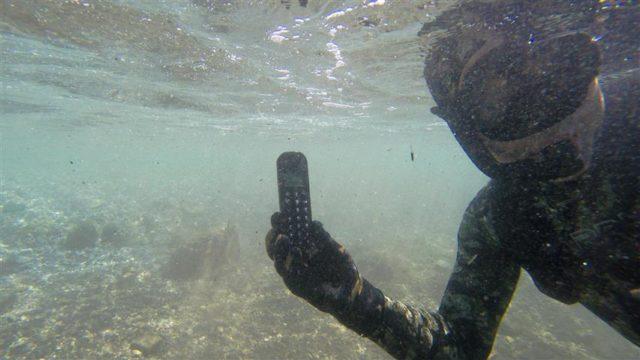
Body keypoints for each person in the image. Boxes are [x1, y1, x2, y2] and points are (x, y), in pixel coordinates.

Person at [266, 1, 639, 358]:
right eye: (500, 101)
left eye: (561, 68)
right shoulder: (499, 219)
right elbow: (461, 349)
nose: (553, 115)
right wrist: (352, 297)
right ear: (469, 134)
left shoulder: (499, 217)